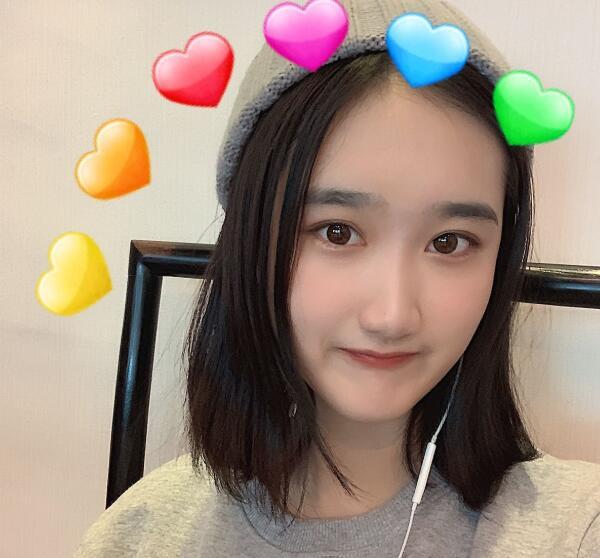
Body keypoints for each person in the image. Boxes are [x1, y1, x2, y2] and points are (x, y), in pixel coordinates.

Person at [73, 0, 600, 556]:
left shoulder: (574, 530)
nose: (392, 316)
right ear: (252, 241)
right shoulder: (141, 536)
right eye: (337, 232)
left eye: (450, 242)